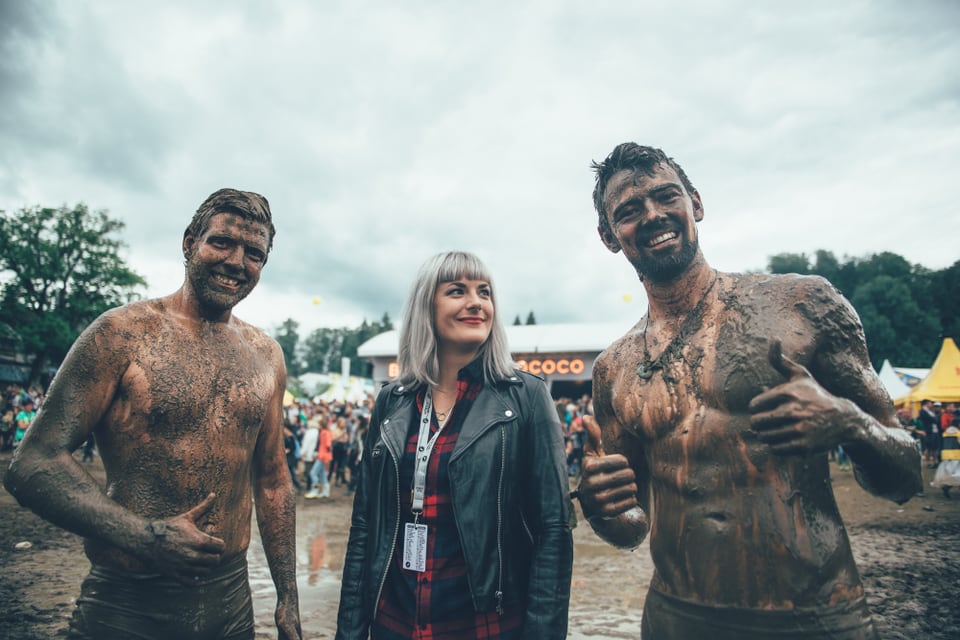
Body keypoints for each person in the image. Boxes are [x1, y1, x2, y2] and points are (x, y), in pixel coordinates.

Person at [577, 143, 922, 640]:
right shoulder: (615, 367)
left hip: (816, 615)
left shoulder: (802, 305)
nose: (652, 215)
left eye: (665, 196)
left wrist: (850, 422)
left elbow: (905, 478)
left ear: (695, 203)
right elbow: (634, 526)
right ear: (609, 237)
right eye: (629, 211)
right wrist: (603, 509)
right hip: (677, 618)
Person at [3, 188, 301, 640]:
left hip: (231, 604)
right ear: (188, 243)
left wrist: (288, 598)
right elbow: (33, 462)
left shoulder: (266, 355)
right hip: (128, 603)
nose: (236, 261)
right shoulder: (121, 334)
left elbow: (273, 479)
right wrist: (146, 536)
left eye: (254, 253)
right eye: (221, 242)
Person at [336, 251, 573, 639]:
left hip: (483, 625)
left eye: (485, 292)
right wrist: (349, 630)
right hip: (393, 622)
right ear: (425, 306)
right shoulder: (392, 400)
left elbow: (553, 530)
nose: (476, 302)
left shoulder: (526, 397)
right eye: (457, 291)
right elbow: (365, 524)